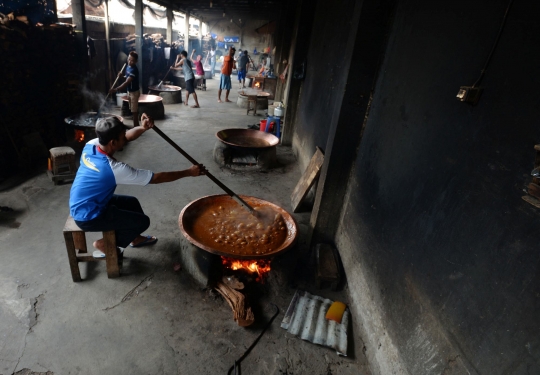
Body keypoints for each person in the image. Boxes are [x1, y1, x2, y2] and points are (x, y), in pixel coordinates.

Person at [69, 114, 206, 257]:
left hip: (86, 201)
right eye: (122, 137)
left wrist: (143, 128)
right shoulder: (113, 169)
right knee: (142, 222)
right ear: (113, 142)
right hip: (89, 216)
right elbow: (156, 178)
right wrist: (189, 172)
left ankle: (134, 238)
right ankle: (105, 244)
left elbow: (128, 136)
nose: (125, 138)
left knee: (131, 202)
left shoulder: (92, 144)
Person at [110, 51, 141, 127]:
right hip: (129, 91)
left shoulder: (134, 70)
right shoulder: (128, 67)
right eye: (129, 59)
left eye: (132, 60)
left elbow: (127, 82)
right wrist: (121, 76)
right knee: (132, 109)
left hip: (134, 92)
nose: (130, 61)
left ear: (136, 62)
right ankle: (135, 125)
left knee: (134, 111)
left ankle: (136, 127)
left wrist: (116, 89)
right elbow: (126, 78)